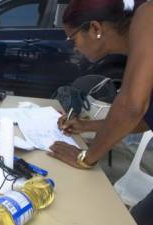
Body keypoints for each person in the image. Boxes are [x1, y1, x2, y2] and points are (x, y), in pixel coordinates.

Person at [47, 0, 153, 224]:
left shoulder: (148, 13)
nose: (73, 47)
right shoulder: (137, 50)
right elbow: (145, 118)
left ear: (95, 28)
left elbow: (132, 107)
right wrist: (88, 126)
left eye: (71, 38)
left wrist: (85, 158)